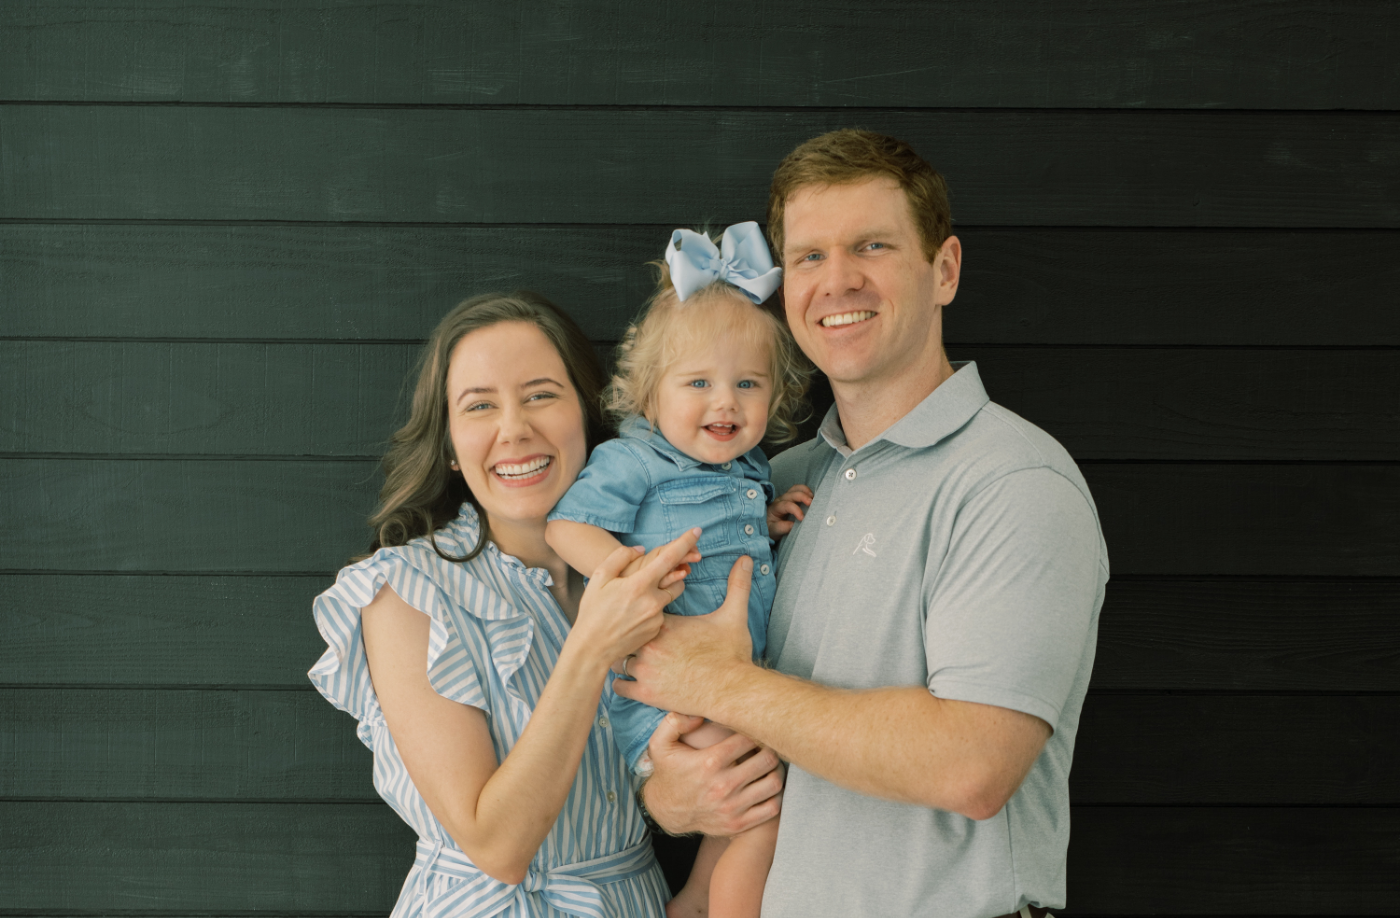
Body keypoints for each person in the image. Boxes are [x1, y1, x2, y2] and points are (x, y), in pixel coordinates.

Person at [617, 129, 1111, 917]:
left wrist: (722, 683)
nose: (836, 281)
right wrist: (666, 789)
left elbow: (972, 765)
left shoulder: (1013, 483)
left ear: (943, 269)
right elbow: (684, 716)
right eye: (809, 257)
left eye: (871, 246)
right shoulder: (768, 490)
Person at [308, 291, 709, 917]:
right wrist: (592, 646)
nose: (514, 429)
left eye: (542, 394)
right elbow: (496, 844)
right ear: (449, 445)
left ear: (588, 413)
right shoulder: (407, 591)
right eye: (479, 406)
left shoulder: (651, 571)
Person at [544, 223, 811, 918]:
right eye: (699, 383)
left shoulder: (749, 470)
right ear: (650, 394)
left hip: (723, 685)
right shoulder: (635, 461)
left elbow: (733, 546)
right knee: (764, 809)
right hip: (667, 692)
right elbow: (566, 527)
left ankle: (692, 901)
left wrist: (770, 521)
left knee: (753, 800)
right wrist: (627, 576)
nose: (726, 403)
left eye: (748, 384)